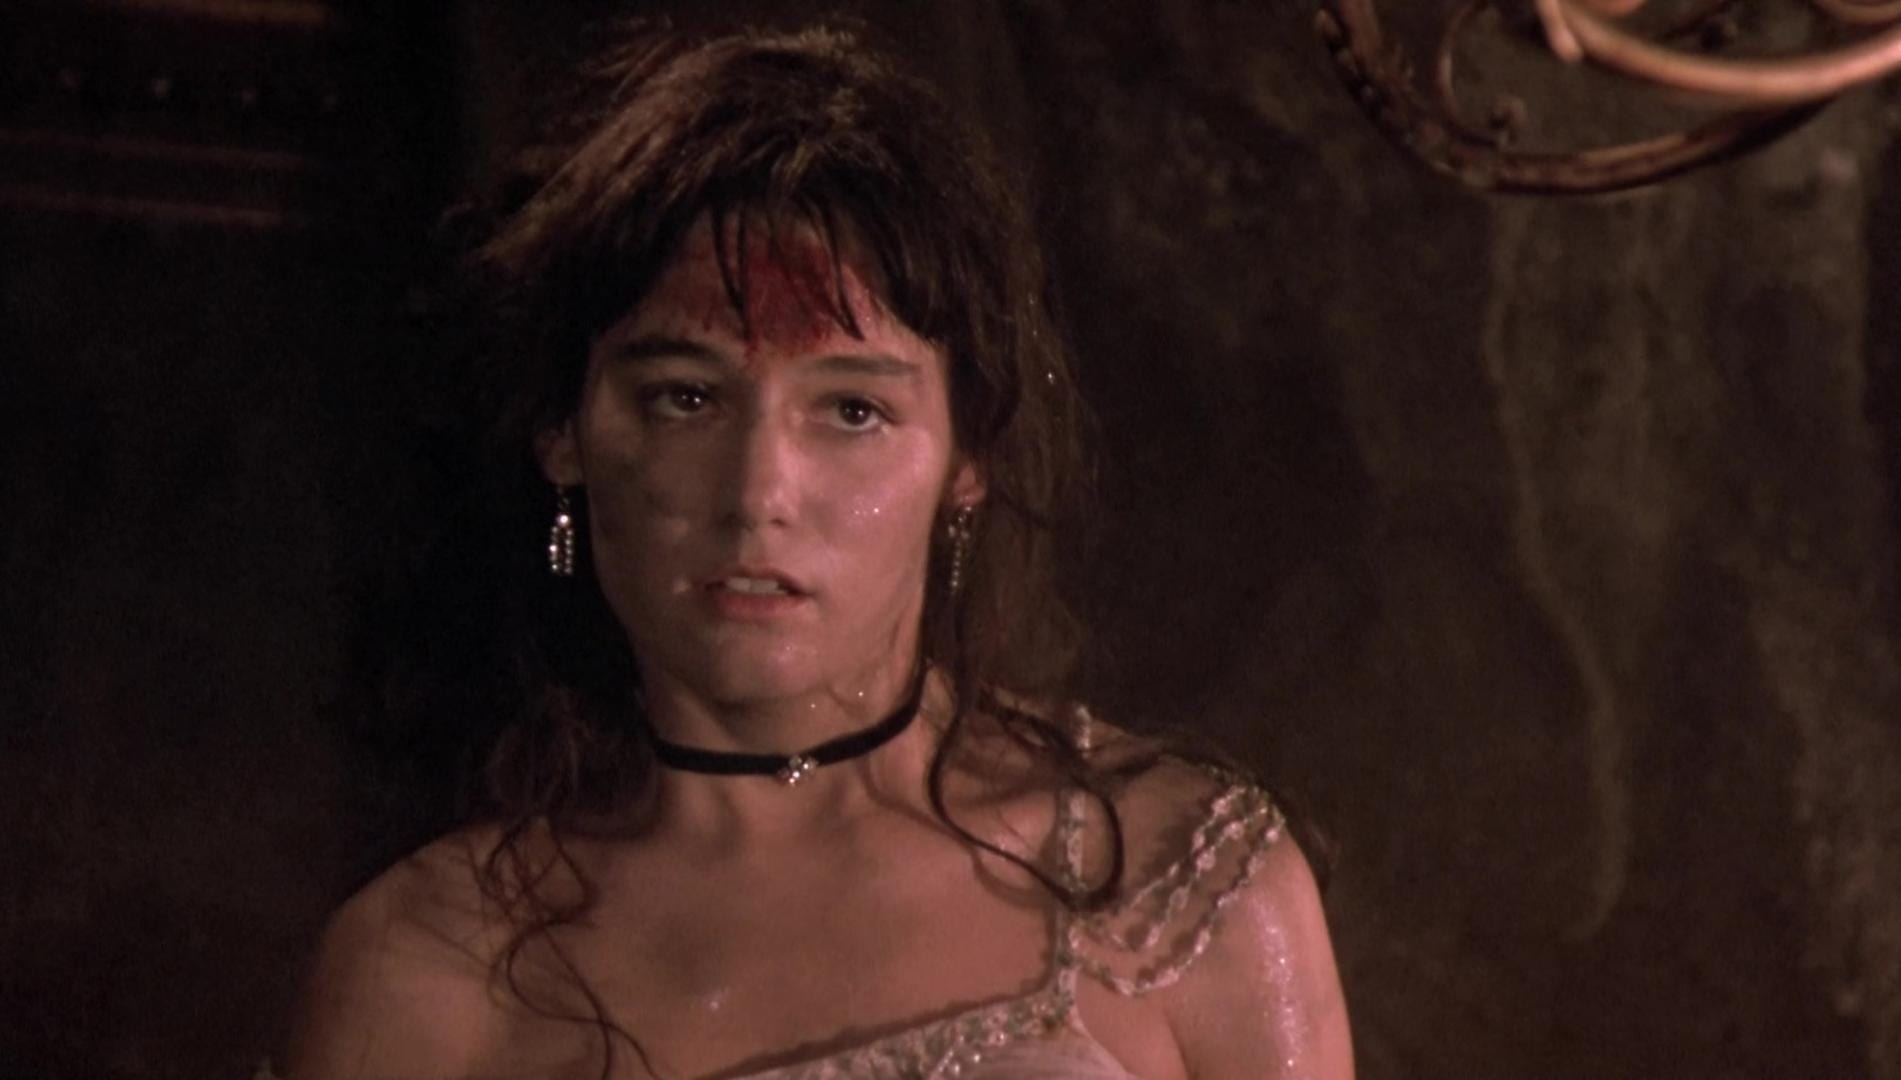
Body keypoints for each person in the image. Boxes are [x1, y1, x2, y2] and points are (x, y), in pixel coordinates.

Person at [282, 19, 1351, 1080]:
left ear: (966, 456)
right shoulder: (428, 976)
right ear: (565, 432)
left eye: (850, 411)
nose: (759, 496)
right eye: (686, 398)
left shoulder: (1173, 884)